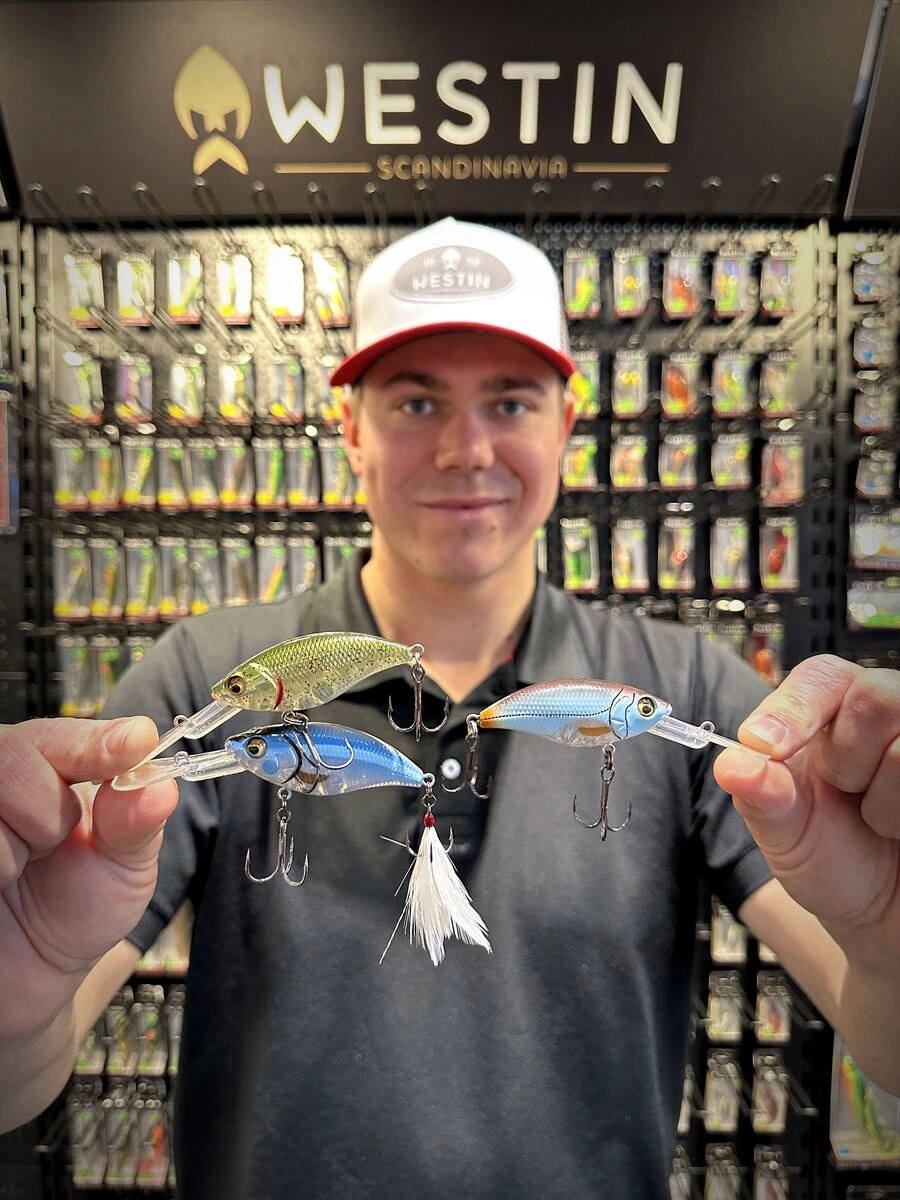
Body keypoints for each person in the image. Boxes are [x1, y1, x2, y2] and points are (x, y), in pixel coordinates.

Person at [1, 217, 899, 1200]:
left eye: (509, 402)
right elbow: (20, 1070)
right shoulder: (207, 679)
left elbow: (881, 1031)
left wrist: (888, 943)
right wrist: (18, 997)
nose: (466, 450)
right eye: (417, 401)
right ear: (351, 428)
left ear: (566, 422)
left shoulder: (684, 689)